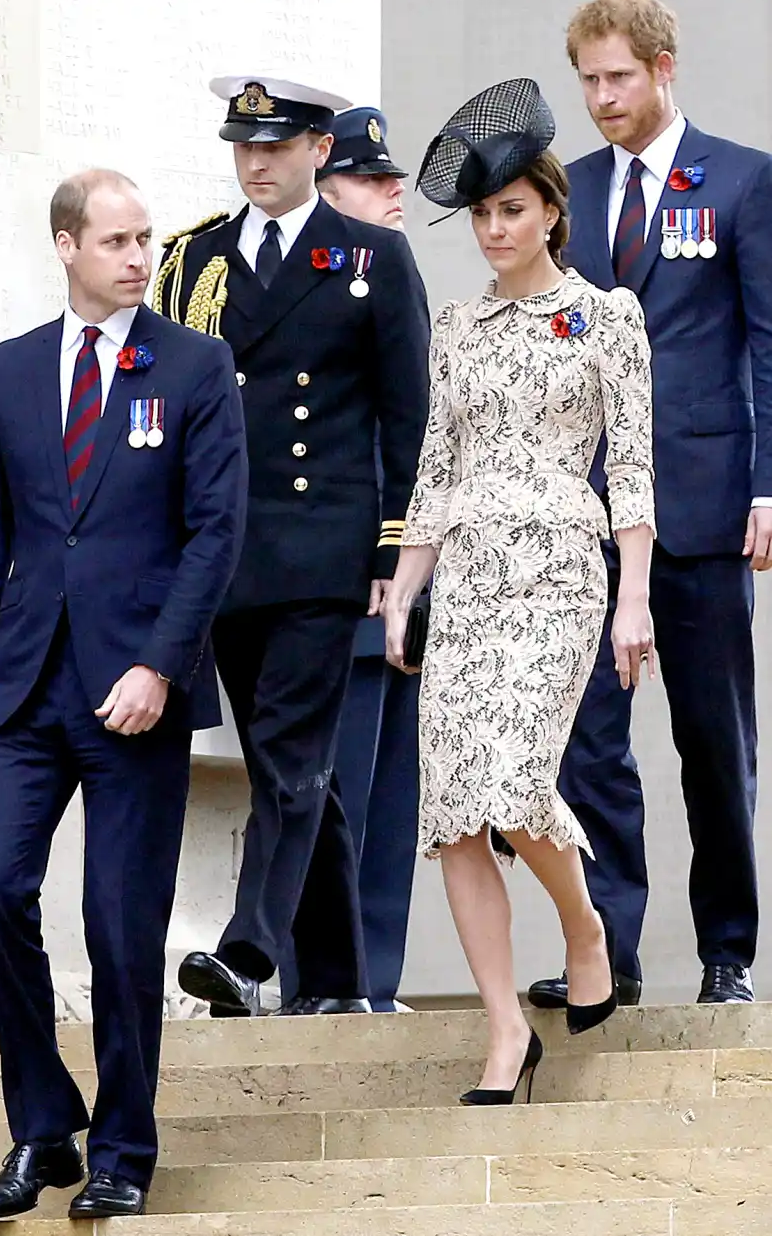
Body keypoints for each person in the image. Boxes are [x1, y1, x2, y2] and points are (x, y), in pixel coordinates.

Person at [0, 168, 247, 1221]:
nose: (136, 257)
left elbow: (216, 533)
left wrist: (161, 663)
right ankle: (42, 1127)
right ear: (65, 245)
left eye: (145, 238)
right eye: (114, 240)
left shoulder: (195, 364)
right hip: (22, 686)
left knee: (119, 925)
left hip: (134, 690)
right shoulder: (13, 372)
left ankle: (123, 1148)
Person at [386, 78, 655, 1103]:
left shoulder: (604, 316)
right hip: (466, 577)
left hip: (558, 570)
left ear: (550, 208)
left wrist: (633, 597)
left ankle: (584, 925)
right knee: (454, 811)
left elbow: (629, 470)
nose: (494, 229)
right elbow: (434, 467)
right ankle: (505, 1031)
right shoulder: (454, 326)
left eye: (512, 209)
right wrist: (406, 587)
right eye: (482, 214)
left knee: (513, 777)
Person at [153, 75, 430, 1018]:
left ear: (319, 148)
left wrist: (396, 558)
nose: (256, 162)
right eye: (243, 146)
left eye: (275, 146)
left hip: (325, 553)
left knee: (286, 747)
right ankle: (345, 980)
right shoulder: (194, 260)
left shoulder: (371, 258)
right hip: (228, 554)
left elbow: (409, 419)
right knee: (300, 766)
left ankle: (248, 950)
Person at [529, 0, 772, 1012]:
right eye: (586, 80)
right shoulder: (571, 191)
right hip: (588, 515)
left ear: (662, 67)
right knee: (588, 741)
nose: (600, 98)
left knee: (713, 741)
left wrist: (767, 485)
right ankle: (609, 951)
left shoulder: (741, 181)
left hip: (706, 503)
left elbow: (766, 338)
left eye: (617, 77)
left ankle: (726, 947)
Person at [278, 106, 421, 1013]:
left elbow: (418, 434)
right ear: (327, 192)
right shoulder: (298, 293)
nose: (393, 191)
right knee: (328, 791)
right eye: (372, 179)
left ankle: (379, 978)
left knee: (396, 796)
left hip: (407, 573)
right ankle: (322, 982)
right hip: (334, 578)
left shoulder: (392, 280)